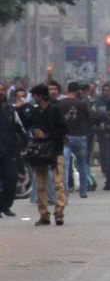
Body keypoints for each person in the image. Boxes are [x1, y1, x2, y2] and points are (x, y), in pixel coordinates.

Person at [28, 85, 68, 226]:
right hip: (40, 152)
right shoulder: (35, 111)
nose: (33, 98)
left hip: (55, 150)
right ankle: (44, 214)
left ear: (42, 96)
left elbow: (64, 128)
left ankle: (59, 213)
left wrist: (47, 136)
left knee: (58, 184)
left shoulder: (55, 110)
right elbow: (27, 124)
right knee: (40, 185)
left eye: (35, 95)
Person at [60, 82, 92, 199]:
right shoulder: (82, 104)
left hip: (66, 137)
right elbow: (89, 119)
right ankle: (83, 191)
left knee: (65, 165)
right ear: (77, 90)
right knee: (82, 164)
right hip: (80, 136)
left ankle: (65, 191)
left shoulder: (61, 104)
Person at [0, 83, 26, 217]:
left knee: (11, 180)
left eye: (2, 90)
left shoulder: (11, 111)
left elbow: (20, 128)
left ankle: (5, 205)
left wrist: (25, 143)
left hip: (9, 151)